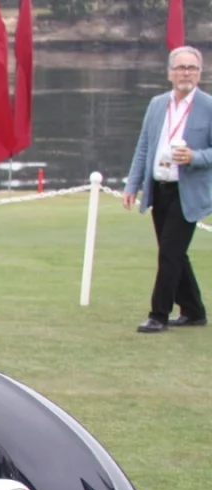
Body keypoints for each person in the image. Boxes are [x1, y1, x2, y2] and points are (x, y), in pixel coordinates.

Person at [123, 45, 212, 333]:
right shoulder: (157, 104)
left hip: (188, 191)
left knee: (170, 254)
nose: (186, 73)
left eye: (192, 68)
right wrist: (132, 184)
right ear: (170, 72)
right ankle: (194, 311)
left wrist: (195, 157)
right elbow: (144, 146)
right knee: (173, 251)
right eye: (181, 67)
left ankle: (158, 314)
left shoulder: (209, 107)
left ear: (199, 73)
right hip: (159, 188)